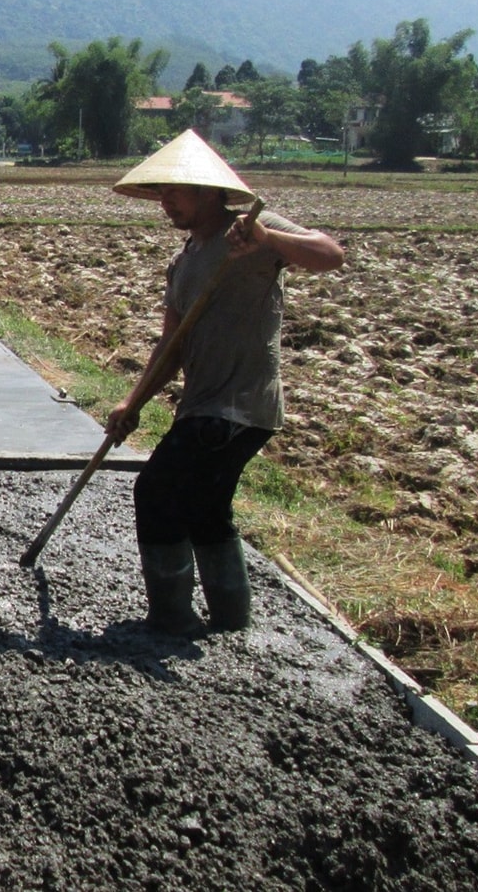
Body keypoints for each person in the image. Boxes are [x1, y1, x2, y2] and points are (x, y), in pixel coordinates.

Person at [104, 131, 344, 636]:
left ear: (210, 192)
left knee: (156, 492)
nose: (166, 201)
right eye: (162, 192)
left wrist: (269, 241)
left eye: (177, 191)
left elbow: (329, 255)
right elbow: (170, 352)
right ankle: (232, 623)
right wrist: (133, 401)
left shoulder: (253, 230)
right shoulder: (183, 262)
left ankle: (170, 620)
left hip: (238, 406)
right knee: (206, 508)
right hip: (203, 404)